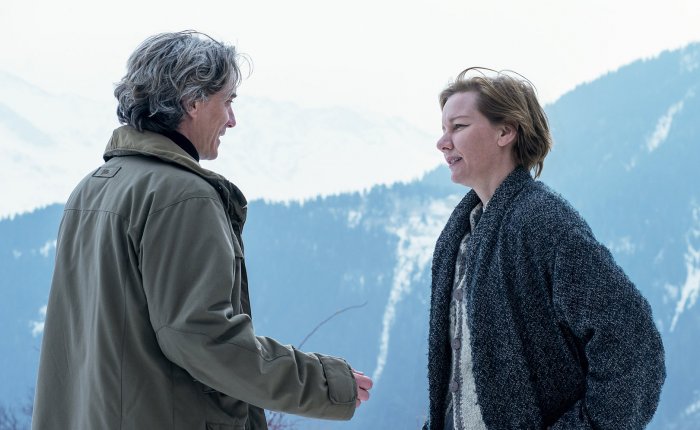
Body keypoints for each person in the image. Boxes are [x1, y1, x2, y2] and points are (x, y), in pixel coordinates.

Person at [32, 31, 372, 429]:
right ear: (192, 102)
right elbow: (201, 336)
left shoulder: (92, 188)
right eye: (227, 101)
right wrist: (325, 383)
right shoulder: (182, 195)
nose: (232, 120)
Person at [424, 68, 665, 429]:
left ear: (506, 131)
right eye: (444, 129)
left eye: (458, 127)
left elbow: (634, 348)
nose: (443, 142)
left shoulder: (544, 223)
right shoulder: (458, 236)